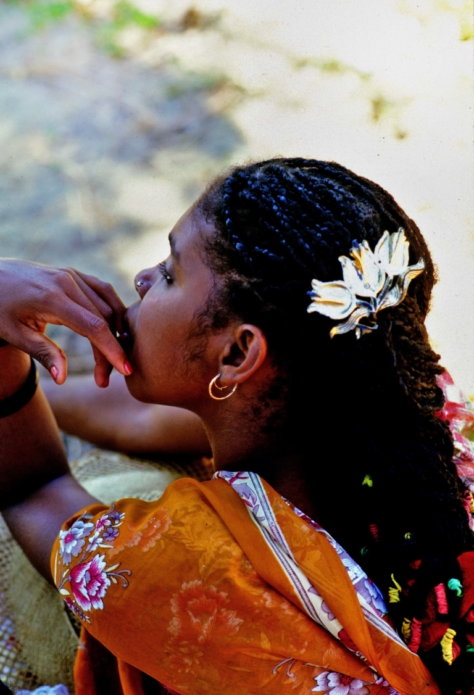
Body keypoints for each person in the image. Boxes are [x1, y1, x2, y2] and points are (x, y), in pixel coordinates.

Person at [0, 158, 473, 695]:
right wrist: (55, 387)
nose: (142, 279)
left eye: (170, 274)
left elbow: (32, 489)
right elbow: (144, 419)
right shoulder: (409, 410)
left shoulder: (192, 568)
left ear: (238, 354)